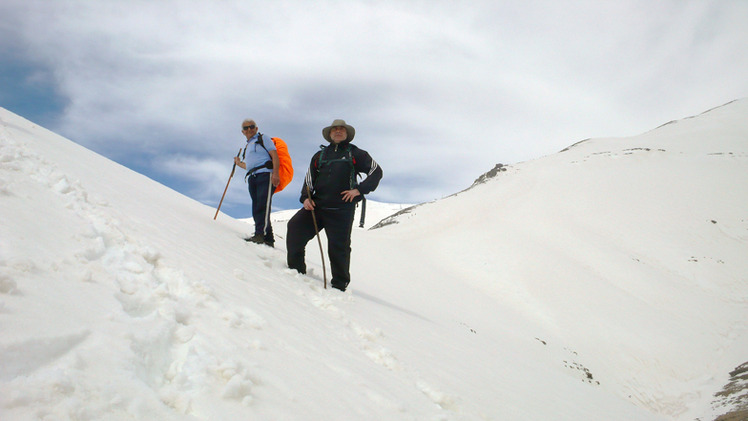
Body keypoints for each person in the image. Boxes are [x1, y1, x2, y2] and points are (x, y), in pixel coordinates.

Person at [286, 119, 383, 291]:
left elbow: (376, 171)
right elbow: (309, 180)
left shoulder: (356, 153)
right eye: (335, 130)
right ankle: (296, 271)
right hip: (317, 206)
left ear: (347, 134)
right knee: (294, 227)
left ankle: (340, 284)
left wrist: (359, 190)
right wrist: (305, 198)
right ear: (329, 134)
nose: (338, 132)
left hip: (342, 210)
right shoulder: (319, 155)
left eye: (341, 130)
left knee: (339, 247)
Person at [234, 119, 280, 247]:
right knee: (257, 205)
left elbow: (274, 155)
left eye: (251, 127)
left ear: (256, 128)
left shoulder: (263, 138)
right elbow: (249, 166)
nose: (249, 129)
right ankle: (268, 238)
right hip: (252, 176)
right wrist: (238, 164)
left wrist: (275, 173)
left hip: (265, 174)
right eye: (246, 128)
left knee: (262, 205)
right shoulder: (248, 146)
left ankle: (260, 234)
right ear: (242, 132)